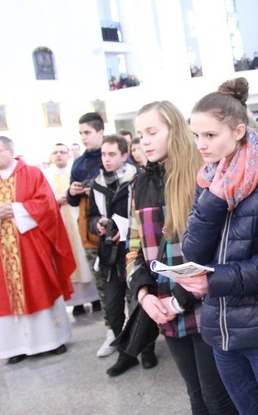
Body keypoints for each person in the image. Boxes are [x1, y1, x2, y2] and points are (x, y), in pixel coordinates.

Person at [181, 79, 258, 415]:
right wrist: (215, 200)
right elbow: (193, 251)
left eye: (210, 135)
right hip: (222, 329)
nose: (201, 145)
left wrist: (213, 280)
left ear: (238, 131)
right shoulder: (208, 179)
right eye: (196, 135)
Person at [128, 101, 236, 414]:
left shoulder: (201, 177)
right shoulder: (140, 182)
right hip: (161, 306)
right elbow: (133, 245)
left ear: (174, 131)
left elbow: (213, 249)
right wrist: (144, 294)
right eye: (140, 134)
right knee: (195, 395)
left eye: (152, 132)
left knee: (218, 398)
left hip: (202, 306)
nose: (144, 141)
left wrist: (177, 300)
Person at [0, 136, 75, 364]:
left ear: (11, 150)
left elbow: (47, 205)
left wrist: (18, 209)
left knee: (39, 287)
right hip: (1, 252)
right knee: (8, 294)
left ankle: (53, 340)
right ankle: (15, 347)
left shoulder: (32, 174)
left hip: (32, 248)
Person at [87, 135, 156, 375]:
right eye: (103, 155)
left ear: (124, 155)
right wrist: (98, 224)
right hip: (109, 254)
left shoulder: (138, 177)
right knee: (113, 309)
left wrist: (125, 227)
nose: (106, 159)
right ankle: (125, 354)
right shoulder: (96, 183)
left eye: (112, 154)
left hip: (133, 249)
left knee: (140, 303)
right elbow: (90, 217)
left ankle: (146, 350)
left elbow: (146, 212)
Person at [42, 143, 99, 316]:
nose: (59, 155)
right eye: (55, 152)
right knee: (67, 258)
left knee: (84, 258)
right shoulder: (45, 176)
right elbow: (41, 200)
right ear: (50, 156)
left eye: (62, 152)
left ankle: (95, 298)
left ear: (68, 154)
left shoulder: (76, 169)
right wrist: (55, 201)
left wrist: (71, 195)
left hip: (77, 218)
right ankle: (76, 303)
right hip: (59, 224)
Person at [67, 112, 104, 316]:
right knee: (102, 284)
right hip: (89, 229)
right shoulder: (79, 163)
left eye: (87, 132)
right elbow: (72, 200)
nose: (83, 137)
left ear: (100, 132)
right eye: (80, 133)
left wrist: (98, 189)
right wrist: (72, 192)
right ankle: (111, 330)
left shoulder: (111, 154)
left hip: (114, 226)